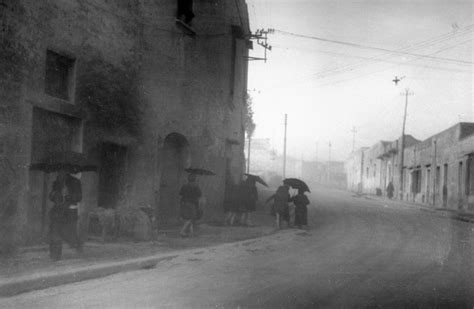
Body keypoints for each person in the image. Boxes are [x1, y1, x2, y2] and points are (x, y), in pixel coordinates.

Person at [48, 169, 83, 261]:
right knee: (55, 232)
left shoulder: (75, 182)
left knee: (68, 234)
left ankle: (77, 245)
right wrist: (54, 194)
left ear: (66, 172)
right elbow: (51, 197)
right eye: (59, 172)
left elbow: (79, 197)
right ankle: (55, 256)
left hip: (69, 213)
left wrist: (68, 196)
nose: (59, 174)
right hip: (57, 211)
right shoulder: (57, 182)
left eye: (62, 172)